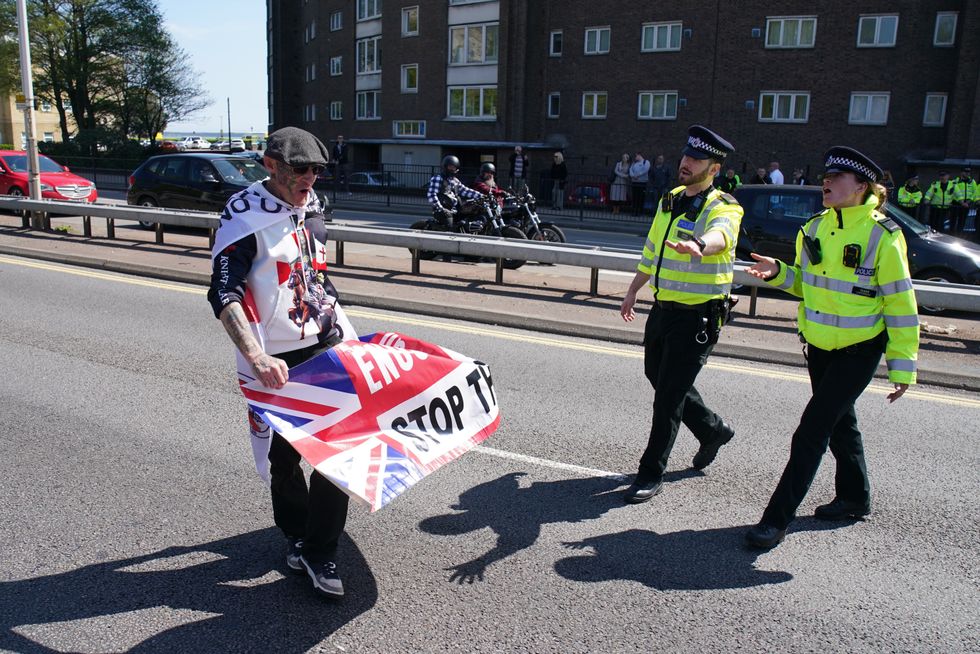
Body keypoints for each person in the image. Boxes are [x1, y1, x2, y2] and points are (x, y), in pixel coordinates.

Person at [743, 146, 919, 549]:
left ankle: (775, 520)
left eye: (838, 177)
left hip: (859, 349)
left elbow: (900, 303)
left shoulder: (883, 236)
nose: (827, 181)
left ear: (861, 187)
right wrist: (778, 272)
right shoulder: (814, 227)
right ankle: (855, 498)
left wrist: (902, 365)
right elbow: (806, 286)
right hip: (820, 346)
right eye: (826, 175)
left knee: (812, 430)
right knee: (842, 423)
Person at [207, 126, 351, 598]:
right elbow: (223, 293)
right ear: (270, 165)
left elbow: (317, 277)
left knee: (340, 450)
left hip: (324, 343)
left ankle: (319, 548)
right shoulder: (243, 215)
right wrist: (256, 355)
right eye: (300, 169)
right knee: (285, 458)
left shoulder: (312, 207)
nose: (310, 178)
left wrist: (349, 334)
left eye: (317, 170)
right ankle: (295, 533)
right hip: (277, 356)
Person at [619, 125, 743, 504]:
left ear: (714, 169)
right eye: (686, 156)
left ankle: (650, 472)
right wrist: (633, 288)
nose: (686, 163)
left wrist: (699, 245)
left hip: (698, 319)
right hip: (664, 309)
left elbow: (722, 234)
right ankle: (712, 430)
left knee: (668, 398)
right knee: (655, 375)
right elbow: (653, 248)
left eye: (697, 160)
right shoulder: (671, 199)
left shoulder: (724, 206)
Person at [427, 155, 481, 228]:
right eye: (450, 167)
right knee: (450, 228)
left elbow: (465, 190)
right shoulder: (438, 178)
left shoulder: (455, 181)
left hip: (455, 210)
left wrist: (482, 196)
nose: (452, 169)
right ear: (445, 167)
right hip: (442, 210)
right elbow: (432, 194)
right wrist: (440, 208)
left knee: (469, 220)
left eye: (454, 167)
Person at [951, 167, 978, 234]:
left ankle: (959, 234)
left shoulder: (972, 182)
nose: (967, 173)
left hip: (967, 204)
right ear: (961, 172)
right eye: (965, 172)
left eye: (968, 172)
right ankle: (951, 234)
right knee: (953, 220)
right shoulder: (955, 181)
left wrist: (969, 201)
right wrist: (961, 202)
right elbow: (954, 193)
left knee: (962, 221)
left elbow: (975, 192)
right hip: (956, 203)